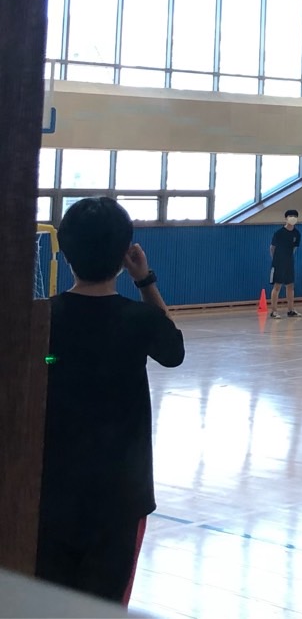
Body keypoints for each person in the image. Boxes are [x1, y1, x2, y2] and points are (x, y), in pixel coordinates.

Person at [37, 197, 185, 605]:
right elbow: (173, 351)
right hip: (121, 495)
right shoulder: (140, 319)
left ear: (66, 252)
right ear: (125, 255)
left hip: (51, 490)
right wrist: (145, 281)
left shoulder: (43, 318)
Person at [268, 209, 302, 319]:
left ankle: (291, 310)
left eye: (295, 216)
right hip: (278, 262)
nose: (293, 218)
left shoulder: (297, 233)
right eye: (290, 216)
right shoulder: (279, 233)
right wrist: (276, 260)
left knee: (290, 285)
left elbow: (294, 248)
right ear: (286, 218)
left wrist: (288, 258)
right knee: (277, 286)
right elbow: (272, 248)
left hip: (289, 262)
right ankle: (274, 311)